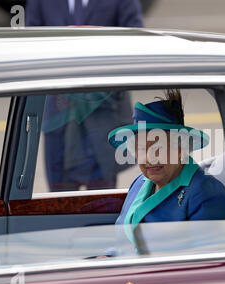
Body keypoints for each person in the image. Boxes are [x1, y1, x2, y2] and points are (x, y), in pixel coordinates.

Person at [25, 0, 144, 191]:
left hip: (103, 111)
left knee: (102, 201)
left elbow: (136, 40)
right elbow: (29, 43)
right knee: (59, 200)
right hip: (59, 112)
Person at [107, 90, 225, 229]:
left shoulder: (206, 193)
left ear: (181, 149)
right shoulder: (139, 183)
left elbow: (208, 249)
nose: (150, 158)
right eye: (141, 149)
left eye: (158, 148)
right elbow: (121, 238)